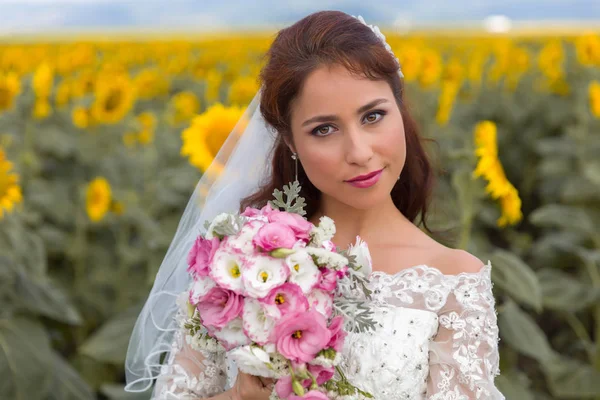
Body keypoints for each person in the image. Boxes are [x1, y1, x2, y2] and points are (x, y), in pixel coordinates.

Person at [124, 10, 505, 400]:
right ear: (289, 141)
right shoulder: (241, 261)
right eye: (324, 129)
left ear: (399, 108)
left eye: (373, 116)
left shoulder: (456, 282)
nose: (359, 152)